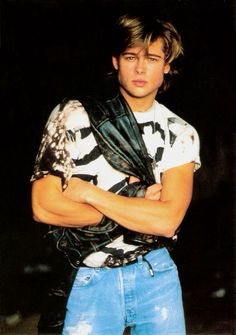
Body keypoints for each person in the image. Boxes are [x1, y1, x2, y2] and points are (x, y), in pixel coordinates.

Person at [31, 13, 201, 335]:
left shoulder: (180, 132)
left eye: (152, 58)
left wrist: (87, 192)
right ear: (115, 61)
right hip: (90, 275)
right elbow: (43, 206)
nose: (140, 68)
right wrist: (136, 203)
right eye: (130, 56)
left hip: (156, 275)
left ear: (166, 64)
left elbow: (166, 221)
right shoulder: (73, 115)